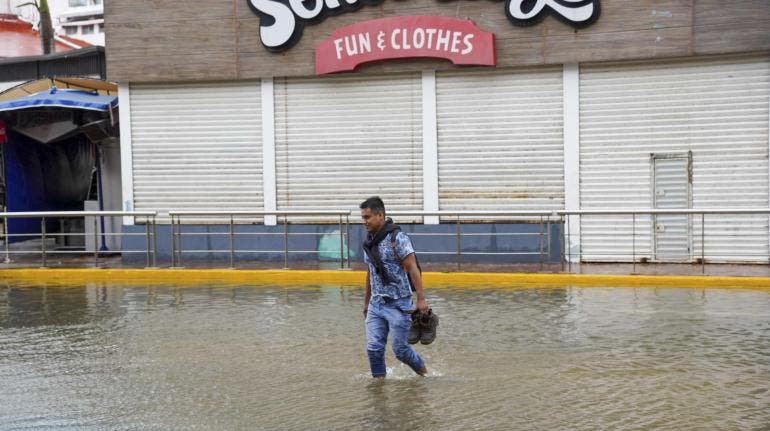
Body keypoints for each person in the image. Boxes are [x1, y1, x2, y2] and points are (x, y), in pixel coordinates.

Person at [360, 196, 429, 378]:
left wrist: (421, 299)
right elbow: (370, 272)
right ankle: (378, 387)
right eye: (363, 218)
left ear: (380, 215)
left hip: (399, 305)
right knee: (373, 349)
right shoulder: (369, 242)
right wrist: (366, 302)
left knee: (401, 351)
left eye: (367, 217)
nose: (364, 222)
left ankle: (424, 374)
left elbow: (413, 267)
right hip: (376, 304)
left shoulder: (397, 238)